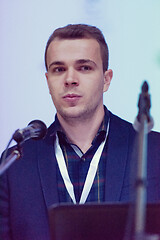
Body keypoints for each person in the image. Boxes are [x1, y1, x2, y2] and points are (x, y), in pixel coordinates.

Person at [0, 24, 160, 240]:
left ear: (106, 79)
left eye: (84, 67)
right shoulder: (15, 164)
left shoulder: (152, 151)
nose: (70, 79)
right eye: (59, 69)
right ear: (48, 82)